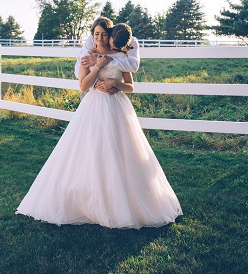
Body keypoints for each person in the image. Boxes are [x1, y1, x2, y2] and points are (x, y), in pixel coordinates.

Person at [16, 17, 182, 228]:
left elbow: (130, 87)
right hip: (94, 106)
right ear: (92, 35)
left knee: (120, 152)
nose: (100, 37)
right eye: (96, 34)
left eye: (104, 34)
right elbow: (83, 86)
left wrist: (115, 83)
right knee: (91, 152)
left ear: (110, 35)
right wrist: (97, 67)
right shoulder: (88, 56)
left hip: (117, 106)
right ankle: (90, 198)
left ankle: (122, 199)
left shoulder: (122, 57)